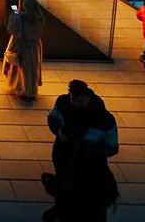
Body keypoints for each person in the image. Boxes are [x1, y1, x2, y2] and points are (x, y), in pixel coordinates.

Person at [43, 80, 119, 222]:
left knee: (87, 200)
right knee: (66, 189)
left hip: (90, 166)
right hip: (65, 158)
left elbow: (112, 147)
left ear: (88, 97)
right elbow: (52, 119)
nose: (77, 104)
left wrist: (89, 148)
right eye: (73, 100)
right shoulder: (63, 104)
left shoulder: (103, 118)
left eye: (81, 101)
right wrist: (59, 132)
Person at [3, 0, 45, 99]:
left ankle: (19, 88)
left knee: (19, 68)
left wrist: (13, 16)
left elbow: (11, 29)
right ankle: (30, 89)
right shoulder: (39, 19)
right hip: (34, 47)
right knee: (31, 69)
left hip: (20, 45)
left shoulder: (20, 18)